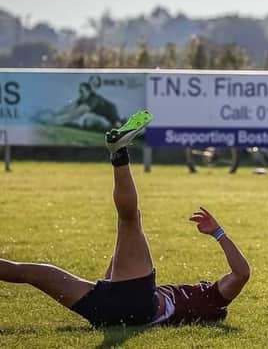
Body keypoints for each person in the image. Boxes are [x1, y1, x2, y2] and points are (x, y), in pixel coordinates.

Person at [0, 110, 250, 327]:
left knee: (130, 219)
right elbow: (117, 282)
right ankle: (119, 153)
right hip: (108, 306)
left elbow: (241, 274)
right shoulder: (187, 301)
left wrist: (219, 233)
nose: (210, 282)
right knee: (29, 273)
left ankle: (119, 153)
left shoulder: (213, 302)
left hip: (136, 306)